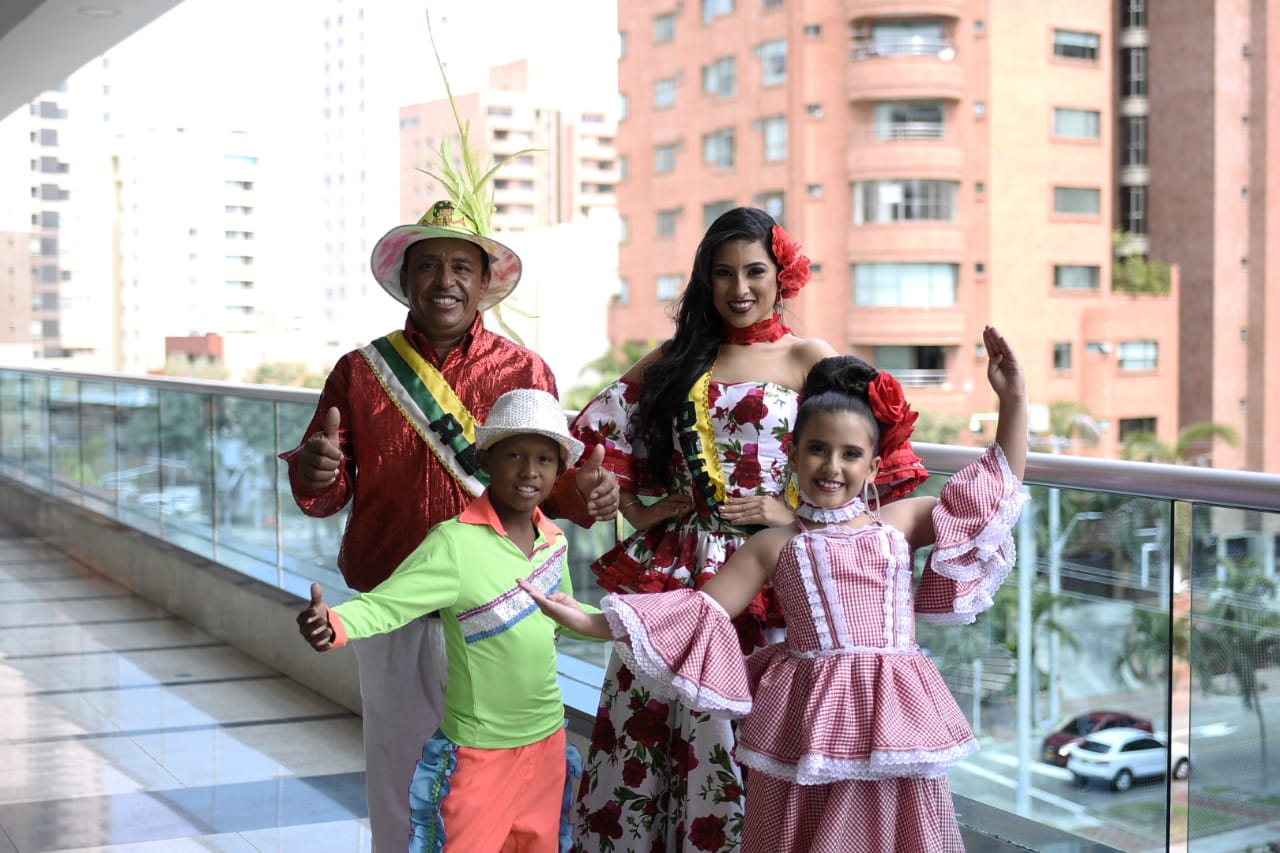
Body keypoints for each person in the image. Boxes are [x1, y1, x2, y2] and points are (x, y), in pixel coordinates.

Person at [524, 326, 1029, 852]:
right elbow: (697, 612)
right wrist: (589, 620)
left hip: (894, 720)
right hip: (807, 722)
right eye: (817, 449)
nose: (832, 466)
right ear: (792, 454)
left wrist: (1013, 399)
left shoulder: (897, 523)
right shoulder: (774, 546)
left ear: (875, 465)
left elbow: (994, 494)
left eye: (850, 454)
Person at [565, 206, 927, 851]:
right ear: (705, 279)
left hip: (777, 576)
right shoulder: (675, 359)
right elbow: (594, 441)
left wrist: (791, 516)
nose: (739, 288)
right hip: (673, 579)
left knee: (752, 749)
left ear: (781, 274)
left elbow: (876, 468)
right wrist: (639, 508)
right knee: (650, 739)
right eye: (723, 273)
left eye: (754, 271)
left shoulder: (812, 357)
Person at [281, 201, 618, 853]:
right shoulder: (361, 371)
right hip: (400, 616)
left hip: (507, 616)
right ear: (405, 282)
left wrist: (593, 492)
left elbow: (556, 488)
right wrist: (318, 472)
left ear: (486, 281)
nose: (446, 281)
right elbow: (325, 493)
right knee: (402, 785)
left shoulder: (526, 373)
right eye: (429, 265)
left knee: (513, 793)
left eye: (462, 266)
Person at [298, 388, 605, 852]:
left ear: (560, 471)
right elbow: (386, 604)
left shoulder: (554, 540)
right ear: (487, 459)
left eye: (545, 459)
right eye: (515, 454)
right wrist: (334, 623)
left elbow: (566, 615)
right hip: (479, 755)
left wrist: (639, 626)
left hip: (547, 743)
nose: (529, 471)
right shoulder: (454, 544)